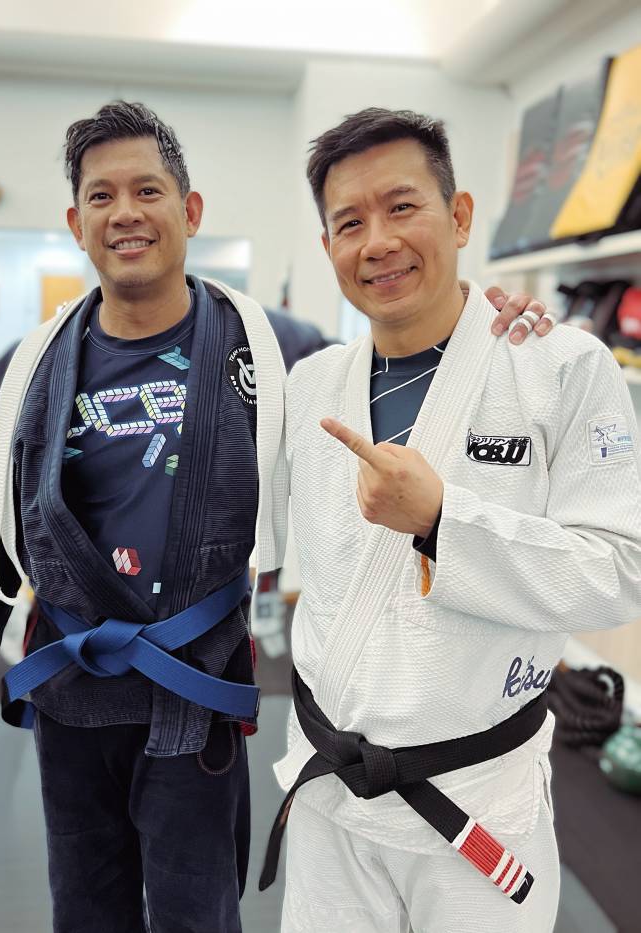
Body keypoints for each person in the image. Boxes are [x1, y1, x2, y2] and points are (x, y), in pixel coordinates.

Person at [0, 101, 550, 933]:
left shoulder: (274, 346)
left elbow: (404, 340)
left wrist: (493, 316)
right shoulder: (27, 368)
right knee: (84, 910)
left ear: (189, 210)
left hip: (195, 695)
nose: (125, 213)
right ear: (76, 223)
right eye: (101, 196)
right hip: (70, 696)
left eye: (148, 191)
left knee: (199, 913)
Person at [264, 108, 641, 933]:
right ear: (327, 246)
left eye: (402, 207)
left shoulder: (559, 368)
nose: (377, 242)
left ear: (460, 215)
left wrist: (443, 521)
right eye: (349, 223)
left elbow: (621, 571)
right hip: (333, 795)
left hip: (477, 799)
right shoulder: (310, 384)